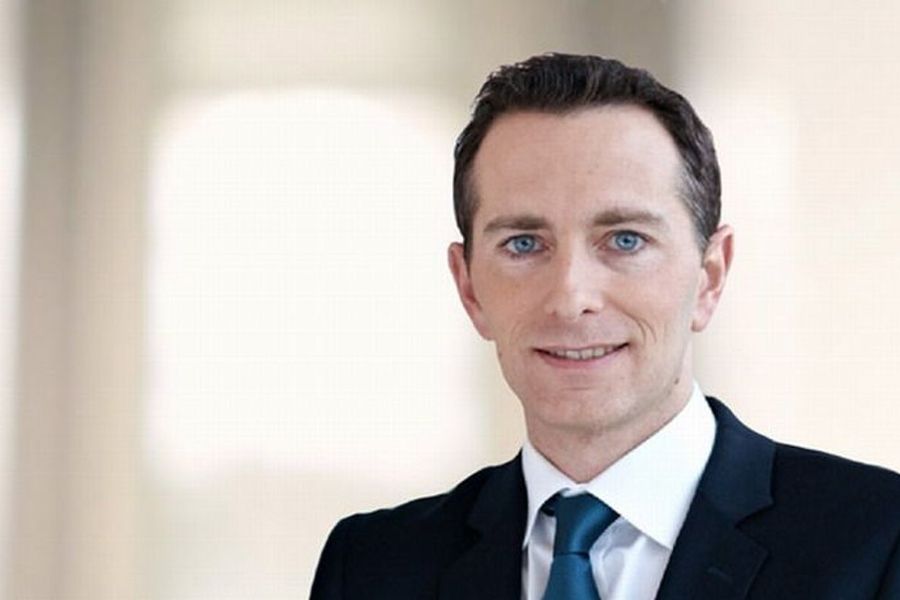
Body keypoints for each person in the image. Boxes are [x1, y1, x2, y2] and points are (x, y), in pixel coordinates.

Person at [310, 53, 900, 599]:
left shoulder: (877, 542)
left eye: (625, 240)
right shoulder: (370, 567)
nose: (571, 299)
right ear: (469, 288)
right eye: (523, 244)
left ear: (710, 276)